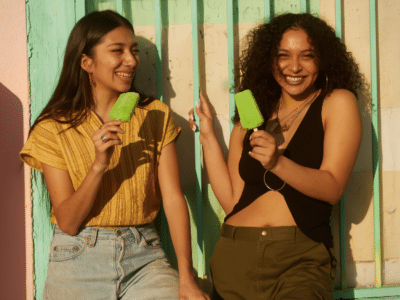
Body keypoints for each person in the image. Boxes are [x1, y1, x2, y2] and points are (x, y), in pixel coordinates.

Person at [20, 10, 209, 300]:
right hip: (77, 257)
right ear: (86, 62)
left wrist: (187, 277)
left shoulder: (154, 116)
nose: (132, 61)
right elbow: (68, 222)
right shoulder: (52, 128)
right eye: (117, 51)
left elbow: (172, 198)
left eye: (133, 51)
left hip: (144, 255)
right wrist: (98, 165)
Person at [189, 13, 363, 299]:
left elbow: (332, 187)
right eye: (283, 55)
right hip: (234, 254)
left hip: (298, 258)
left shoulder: (337, 102)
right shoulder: (251, 114)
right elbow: (233, 199)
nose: (294, 66)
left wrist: (277, 163)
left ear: (322, 59)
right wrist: (207, 135)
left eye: (307, 56)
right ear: (269, 61)